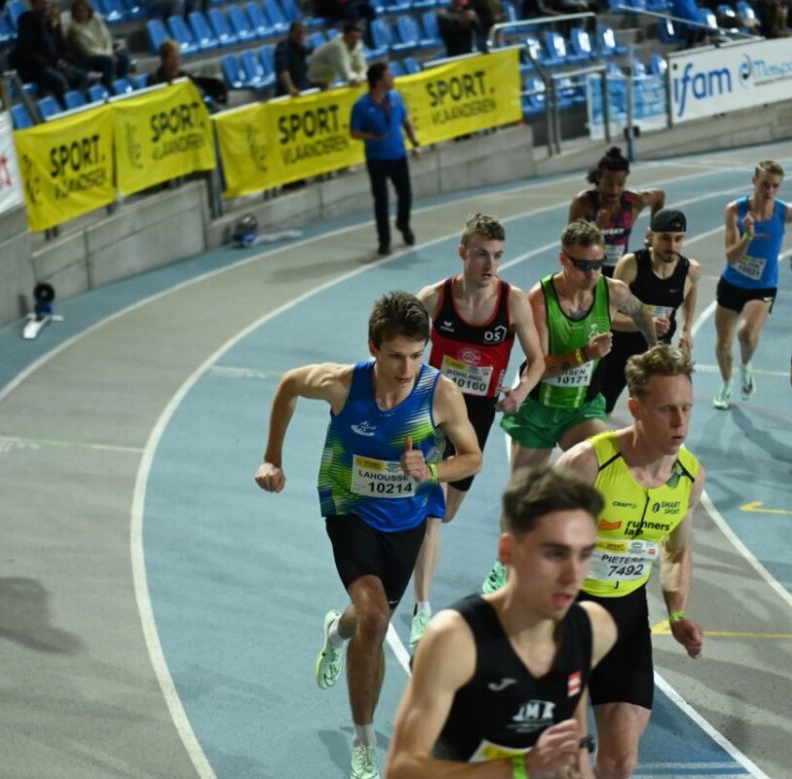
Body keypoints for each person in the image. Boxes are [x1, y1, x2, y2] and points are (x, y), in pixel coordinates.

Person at [254, 291, 482, 779]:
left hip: (406, 520)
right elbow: (287, 386)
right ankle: (363, 743)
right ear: (373, 347)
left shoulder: (439, 393)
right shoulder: (341, 384)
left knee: (367, 618)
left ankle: (336, 631)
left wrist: (433, 469)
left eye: (417, 356)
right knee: (377, 620)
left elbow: (473, 457)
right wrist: (273, 456)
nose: (407, 368)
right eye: (396, 355)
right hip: (349, 507)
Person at [385, 466, 619, 779]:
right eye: (555, 554)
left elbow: (571, 726)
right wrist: (522, 768)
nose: (573, 574)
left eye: (584, 554)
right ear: (507, 550)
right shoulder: (455, 639)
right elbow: (401, 769)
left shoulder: (595, 630)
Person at [482, 220, 663, 592]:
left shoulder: (611, 291)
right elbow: (540, 366)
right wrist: (585, 353)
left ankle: (600, 551)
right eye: (583, 265)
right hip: (538, 409)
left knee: (614, 464)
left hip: (580, 409)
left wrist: (653, 344)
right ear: (564, 260)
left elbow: (641, 312)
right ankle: (503, 565)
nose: (593, 272)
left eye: (598, 264)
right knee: (521, 497)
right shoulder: (539, 300)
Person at [556, 345, 705, 779]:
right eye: (666, 410)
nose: (680, 423)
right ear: (636, 408)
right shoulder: (587, 465)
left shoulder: (691, 477)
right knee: (562, 761)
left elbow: (677, 549)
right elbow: (531, 547)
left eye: (686, 409)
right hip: (564, 615)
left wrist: (677, 612)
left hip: (626, 617)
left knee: (621, 763)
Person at [408, 213, 546, 649]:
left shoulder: (513, 301)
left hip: (478, 416)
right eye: (483, 254)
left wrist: (520, 392)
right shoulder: (433, 299)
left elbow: (537, 360)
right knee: (430, 509)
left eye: (499, 255)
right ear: (463, 251)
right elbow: (398, 342)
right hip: (433, 409)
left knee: (446, 512)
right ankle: (422, 608)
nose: (491, 264)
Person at [713, 160, 792, 410]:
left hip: (763, 285)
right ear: (754, 181)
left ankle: (746, 366)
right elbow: (731, 257)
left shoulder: (785, 212)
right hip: (732, 282)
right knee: (724, 342)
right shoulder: (735, 211)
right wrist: (748, 235)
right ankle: (725, 385)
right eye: (765, 184)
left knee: (746, 334)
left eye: (775, 186)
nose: (770, 190)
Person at [598, 208, 701, 415]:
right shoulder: (631, 265)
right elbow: (606, 317)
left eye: (678, 239)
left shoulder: (690, 270)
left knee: (652, 411)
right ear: (650, 236)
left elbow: (691, 293)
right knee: (602, 410)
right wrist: (644, 323)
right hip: (619, 351)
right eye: (665, 238)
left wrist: (686, 329)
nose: (672, 246)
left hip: (656, 352)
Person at [350, 62, 420, 257]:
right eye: (389, 76)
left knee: (405, 194)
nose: (393, 78)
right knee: (381, 200)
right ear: (378, 81)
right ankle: (384, 240)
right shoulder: (362, 106)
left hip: (398, 154)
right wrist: (371, 136)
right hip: (377, 158)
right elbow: (354, 132)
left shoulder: (396, 98)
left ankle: (403, 223)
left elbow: (406, 121)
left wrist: (415, 142)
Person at [566, 147, 665, 277]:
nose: (614, 191)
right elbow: (570, 245)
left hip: (620, 272)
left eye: (620, 184)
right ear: (599, 177)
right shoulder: (584, 204)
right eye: (608, 184)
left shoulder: (633, 202)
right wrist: (596, 227)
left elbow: (659, 197)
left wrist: (654, 234)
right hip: (589, 273)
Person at [14, 0, 90, 102]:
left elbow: (59, 48)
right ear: (33, 4)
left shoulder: (48, 22)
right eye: (42, 3)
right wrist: (49, 64)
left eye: (46, 3)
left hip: (53, 64)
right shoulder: (27, 20)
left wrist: (55, 27)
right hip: (35, 68)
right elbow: (27, 51)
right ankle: (67, 109)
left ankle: (77, 103)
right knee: (60, 81)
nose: (45, 6)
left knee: (82, 77)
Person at [66, 0, 131, 91]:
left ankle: (122, 83)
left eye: (84, 10)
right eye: (78, 11)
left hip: (106, 52)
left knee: (123, 58)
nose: (81, 14)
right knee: (108, 62)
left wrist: (109, 52)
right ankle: (107, 87)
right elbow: (87, 50)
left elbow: (107, 38)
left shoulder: (96, 20)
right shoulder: (74, 29)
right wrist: (108, 55)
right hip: (88, 58)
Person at [148, 38, 227, 107]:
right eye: (173, 58)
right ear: (164, 59)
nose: (176, 62)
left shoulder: (184, 77)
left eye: (178, 58)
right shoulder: (154, 80)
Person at [306, 20, 367, 90]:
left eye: (358, 38)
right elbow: (345, 72)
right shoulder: (336, 46)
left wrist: (362, 77)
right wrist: (356, 79)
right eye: (352, 37)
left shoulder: (357, 44)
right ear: (345, 35)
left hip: (330, 79)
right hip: (314, 82)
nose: (355, 41)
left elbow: (361, 67)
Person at [274, 21, 312, 97]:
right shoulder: (283, 47)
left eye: (303, 32)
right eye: (298, 32)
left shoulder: (302, 48)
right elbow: (283, 70)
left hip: (304, 89)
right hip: (289, 94)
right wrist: (290, 88)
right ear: (291, 32)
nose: (301, 35)